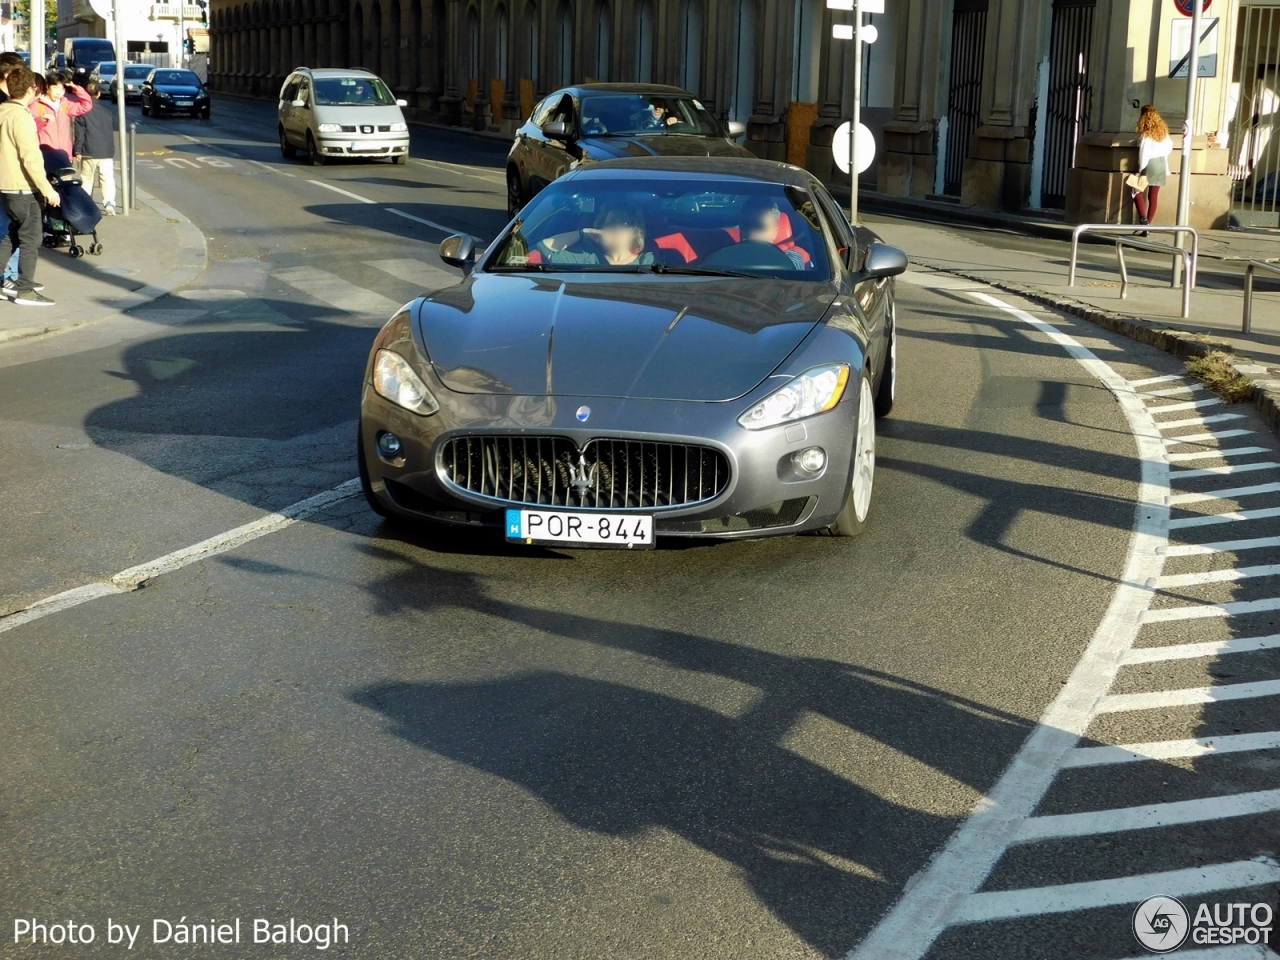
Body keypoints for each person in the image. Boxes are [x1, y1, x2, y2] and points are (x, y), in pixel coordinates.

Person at [0, 65, 60, 305]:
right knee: (31, 238)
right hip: (22, 186)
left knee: (10, 236)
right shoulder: (21, 117)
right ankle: (24, 289)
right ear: (29, 89)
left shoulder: (2, 110)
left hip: (4, 185)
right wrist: (48, 190)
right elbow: (31, 158)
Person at [537, 206, 655, 266]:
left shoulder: (648, 262)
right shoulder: (590, 258)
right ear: (601, 228)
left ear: (636, 231)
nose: (616, 228)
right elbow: (545, 247)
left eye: (625, 223)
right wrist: (585, 232)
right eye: (611, 222)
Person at [73, 79, 115, 214]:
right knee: (107, 178)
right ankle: (109, 204)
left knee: (87, 179)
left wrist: (77, 150)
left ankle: (86, 205)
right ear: (98, 93)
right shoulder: (107, 111)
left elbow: (80, 134)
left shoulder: (82, 112)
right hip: (106, 151)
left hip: (88, 150)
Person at [31, 71, 92, 159]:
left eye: (62, 89)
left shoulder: (65, 104)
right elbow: (29, 127)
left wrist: (77, 89)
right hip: (44, 156)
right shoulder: (37, 104)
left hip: (64, 155)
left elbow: (87, 105)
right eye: (55, 87)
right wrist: (41, 120)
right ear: (48, 86)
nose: (58, 92)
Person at [1132, 104, 1172, 231]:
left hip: (1150, 163)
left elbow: (1144, 154)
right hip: (1161, 163)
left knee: (1136, 191)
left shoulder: (1146, 134)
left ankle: (1143, 220)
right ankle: (1148, 225)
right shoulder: (1164, 133)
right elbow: (1170, 146)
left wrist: (1142, 172)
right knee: (1153, 196)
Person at [739, 197, 807, 270]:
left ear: (774, 232)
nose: (751, 231)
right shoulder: (730, 254)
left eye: (759, 226)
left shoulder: (791, 257)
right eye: (746, 224)